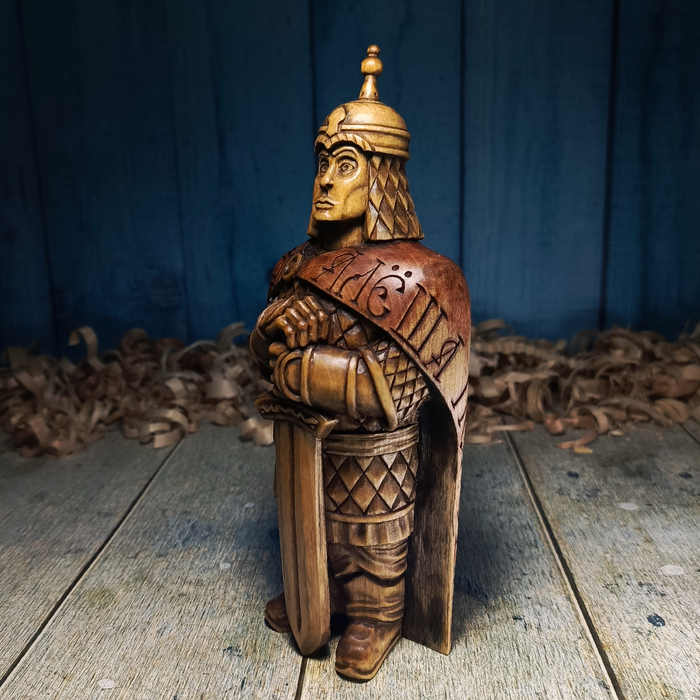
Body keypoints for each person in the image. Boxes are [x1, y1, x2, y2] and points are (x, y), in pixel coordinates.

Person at [250, 46, 471, 681]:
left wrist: (302, 368)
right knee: (313, 531)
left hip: (377, 453)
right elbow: (263, 354)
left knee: (372, 542)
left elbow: (394, 391)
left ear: (381, 178)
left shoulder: (419, 279)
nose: (325, 179)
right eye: (323, 162)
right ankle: (316, 595)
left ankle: (377, 617)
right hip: (307, 448)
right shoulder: (296, 266)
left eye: (344, 164)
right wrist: (273, 332)